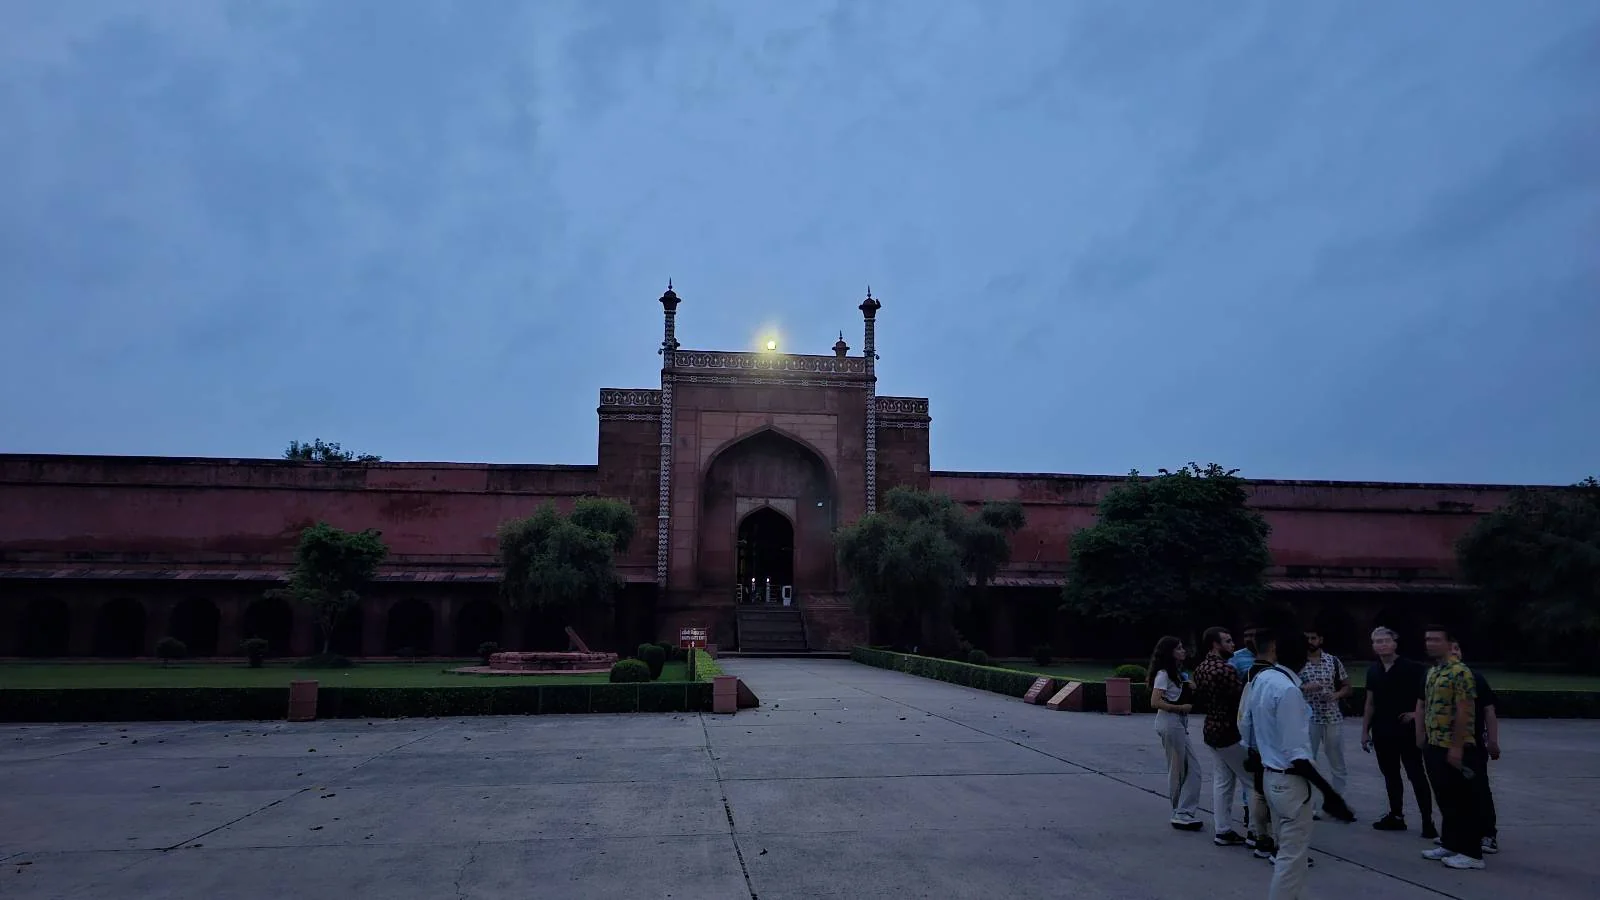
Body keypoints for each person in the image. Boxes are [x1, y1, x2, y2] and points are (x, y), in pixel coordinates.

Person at [1241, 618, 1354, 899]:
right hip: (1289, 782)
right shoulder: (1288, 690)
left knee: (1291, 857)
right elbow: (1298, 756)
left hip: (1271, 776)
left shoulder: (1262, 679)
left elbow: (1247, 729)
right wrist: (1330, 794)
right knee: (1292, 858)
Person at [1415, 624, 1485, 870]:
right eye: (1427, 639)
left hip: (1456, 746)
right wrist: (1421, 735)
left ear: (1448, 643)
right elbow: (1425, 706)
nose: (1430, 643)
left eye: (1435, 639)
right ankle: (1451, 843)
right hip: (1434, 744)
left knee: (1463, 800)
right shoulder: (1433, 672)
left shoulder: (1460, 672)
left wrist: (1456, 747)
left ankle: (1472, 853)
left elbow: (1465, 710)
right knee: (1445, 798)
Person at [1360, 626, 1435, 839]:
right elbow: (1370, 703)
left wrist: (1416, 714)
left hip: (1407, 730)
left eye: (1385, 640)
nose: (1381, 645)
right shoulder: (1373, 670)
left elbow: (1431, 695)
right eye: (1377, 641)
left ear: (1395, 643)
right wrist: (1365, 731)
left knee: (1416, 774)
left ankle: (1427, 820)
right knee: (1390, 775)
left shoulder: (1415, 668)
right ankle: (1396, 815)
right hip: (1383, 730)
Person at [1192, 626, 1250, 846]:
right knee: (1252, 781)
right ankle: (1257, 831)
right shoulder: (1225, 670)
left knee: (1223, 781)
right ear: (1215, 644)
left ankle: (1223, 829)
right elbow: (1242, 700)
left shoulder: (1201, 668)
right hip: (1229, 730)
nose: (1232, 644)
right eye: (1227, 641)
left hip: (1212, 728)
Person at [1147, 636, 1203, 831]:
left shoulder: (1178, 674)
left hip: (1177, 724)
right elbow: (1155, 702)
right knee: (1180, 768)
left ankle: (1183, 810)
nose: (1183, 651)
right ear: (1169, 652)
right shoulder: (1163, 674)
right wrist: (1180, 708)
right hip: (1170, 722)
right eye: (1178, 648)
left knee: (1190, 768)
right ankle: (1180, 812)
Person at [1454, 640, 1501, 855]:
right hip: (1445, 743)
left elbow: (1489, 710)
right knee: (1453, 791)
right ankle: (1458, 833)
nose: (1454, 652)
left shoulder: (1475, 678)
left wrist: (1492, 740)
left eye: (1457, 648)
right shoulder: (1437, 677)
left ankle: (1488, 834)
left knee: (1479, 788)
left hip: (1472, 743)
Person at [1299, 629, 1351, 815]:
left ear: (1321, 639)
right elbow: (1289, 687)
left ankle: (1338, 801)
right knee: (1308, 761)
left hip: (1332, 716)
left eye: (1314, 637)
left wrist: (1336, 694)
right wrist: (1305, 687)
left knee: (1337, 761)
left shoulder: (1333, 661)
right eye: (1307, 638)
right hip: (1309, 718)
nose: (1310, 641)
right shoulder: (1298, 661)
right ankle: (1309, 806)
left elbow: (1346, 686)